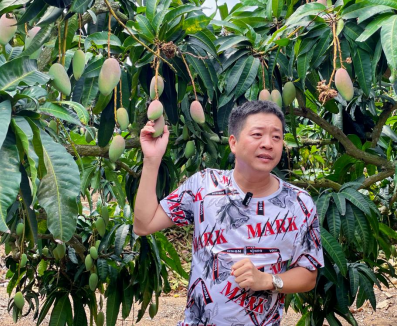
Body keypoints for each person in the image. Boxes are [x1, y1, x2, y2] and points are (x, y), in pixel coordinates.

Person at [133, 101, 324, 326]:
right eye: (257, 134)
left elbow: (308, 274)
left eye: (276, 137)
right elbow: (143, 225)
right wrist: (152, 160)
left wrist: (268, 280)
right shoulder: (204, 186)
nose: (268, 144)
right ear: (233, 143)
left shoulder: (299, 203)